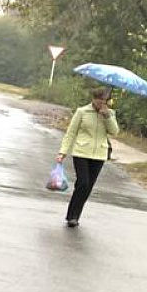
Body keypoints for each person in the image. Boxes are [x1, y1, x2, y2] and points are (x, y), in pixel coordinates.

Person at [56, 86, 119, 227]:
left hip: (99, 154)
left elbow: (114, 131)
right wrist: (62, 152)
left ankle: (75, 215)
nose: (101, 103)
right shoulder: (82, 112)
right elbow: (71, 133)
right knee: (83, 183)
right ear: (94, 99)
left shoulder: (110, 113)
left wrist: (107, 116)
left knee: (88, 187)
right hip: (81, 152)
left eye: (104, 101)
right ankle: (71, 216)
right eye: (99, 100)